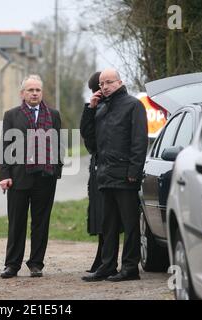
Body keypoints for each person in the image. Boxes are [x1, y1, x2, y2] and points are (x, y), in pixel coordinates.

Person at [81, 68, 148, 282]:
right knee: (107, 225)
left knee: (130, 225)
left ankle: (130, 268)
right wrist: (90, 110)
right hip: (106, 176)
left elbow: (139, 142)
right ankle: (107, 265)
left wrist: (134, 172)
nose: (105, 86)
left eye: (109, 82)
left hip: (126, 176)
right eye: (102, 84)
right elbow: (90, 141)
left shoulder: (133, 106)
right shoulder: (100, 109)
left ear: (120, 82)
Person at [0, 74, 63, 279]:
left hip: (45, 177)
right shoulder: (11, 115)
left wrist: (56, 172)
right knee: (16, 221)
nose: (34, 93)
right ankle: (12, 265)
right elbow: (6, 146)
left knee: (40, 222)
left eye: (37, 90)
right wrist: (4, 175)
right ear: (23, 93)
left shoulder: (53, 115)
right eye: (30, 90)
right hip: (18, 177)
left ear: (41, 93)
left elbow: (58, 144)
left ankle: (36, 263)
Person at [80, 72, 104, 273]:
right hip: (96, 167)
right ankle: (100, 258)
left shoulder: (113, 107)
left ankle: (105, 260)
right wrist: (89, 109)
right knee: (98, 213)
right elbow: (87, 138)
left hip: (109, 167)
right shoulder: (94, 108)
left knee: (107, 216)